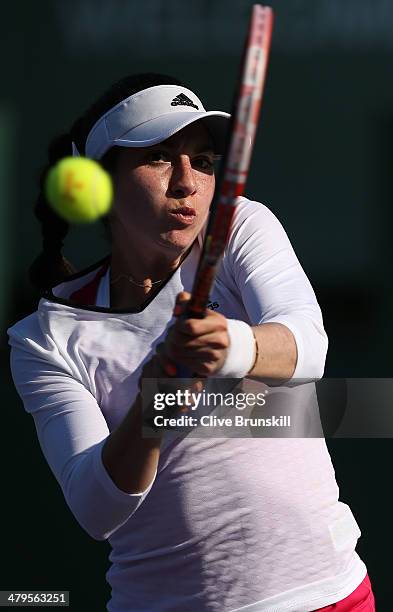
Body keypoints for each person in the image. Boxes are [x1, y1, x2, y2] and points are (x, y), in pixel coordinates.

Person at [8, 73, 375, 611]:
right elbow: (95, 506)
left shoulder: (240, 226)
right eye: (159, 157)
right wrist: (159, 400)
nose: (187, 182)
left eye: (202, 160)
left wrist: (227, 345)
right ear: (101, 184)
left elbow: (308, 346)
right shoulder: (45, 338)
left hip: (328, 594)